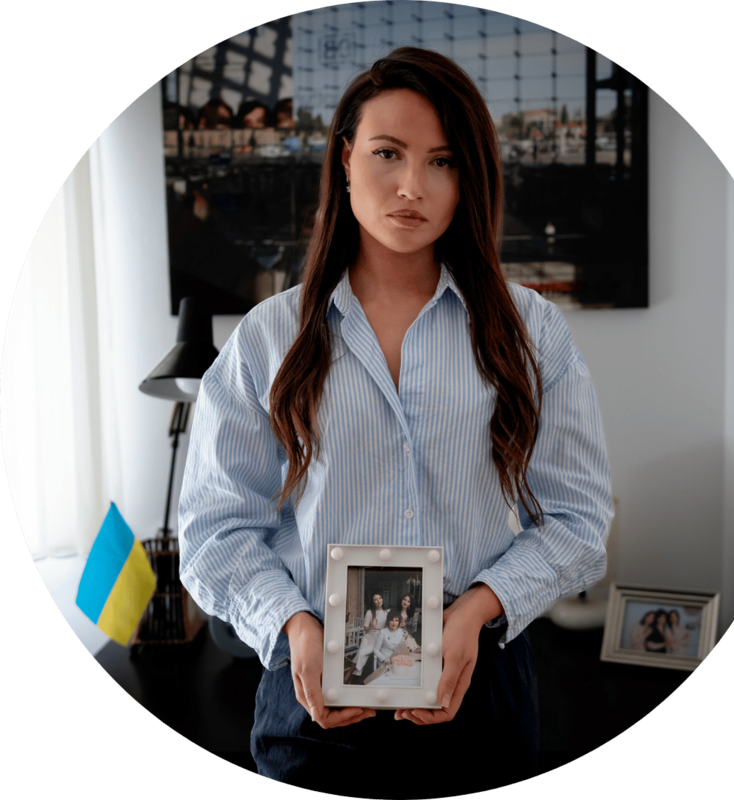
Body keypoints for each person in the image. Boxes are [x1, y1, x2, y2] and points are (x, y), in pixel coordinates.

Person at [178, 46, 613, 796]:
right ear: (345, 159)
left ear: (467, 179)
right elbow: (215, 530)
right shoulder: (267, 337)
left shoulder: (528, 329)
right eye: (388, 153)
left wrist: (480, 609)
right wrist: (292, 626)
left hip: (477, 683)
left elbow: (578, 518)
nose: (413, 186)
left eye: (442, 162)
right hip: (312, 697)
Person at [352, 593, 388, 677]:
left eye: (380, 598)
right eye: (375, 600)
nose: (378, 601)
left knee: (361, 653)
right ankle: (354, 674)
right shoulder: (369, 612)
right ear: (373, 602)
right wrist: (371, 627)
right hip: (368, 636)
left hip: (378, 636)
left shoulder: (386, 612)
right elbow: (365, 628)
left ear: (382, 599)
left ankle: (354, 674)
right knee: (360, 654)